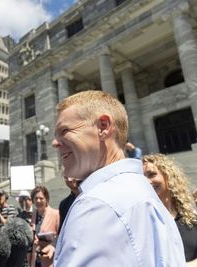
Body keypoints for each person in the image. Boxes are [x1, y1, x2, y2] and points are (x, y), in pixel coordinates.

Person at [51, 90, 185, 266]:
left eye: (65, 130)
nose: (55, 142)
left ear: (103, 127)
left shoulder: (97, 204)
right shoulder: (142, 192)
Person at [143, 153, 197, 265]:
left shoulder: (190, 215)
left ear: (168, 176)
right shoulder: (146, 222)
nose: (147, 181)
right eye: (142, 178)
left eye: (151, 174)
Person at [29, 186, 59, 267]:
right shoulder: (34, 214)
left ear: (46, 199)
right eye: (36, 198)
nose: (38, 201)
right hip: (36, 259)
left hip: (49, 259)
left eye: (41, 198)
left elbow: (61, 235)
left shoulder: (55, 214)